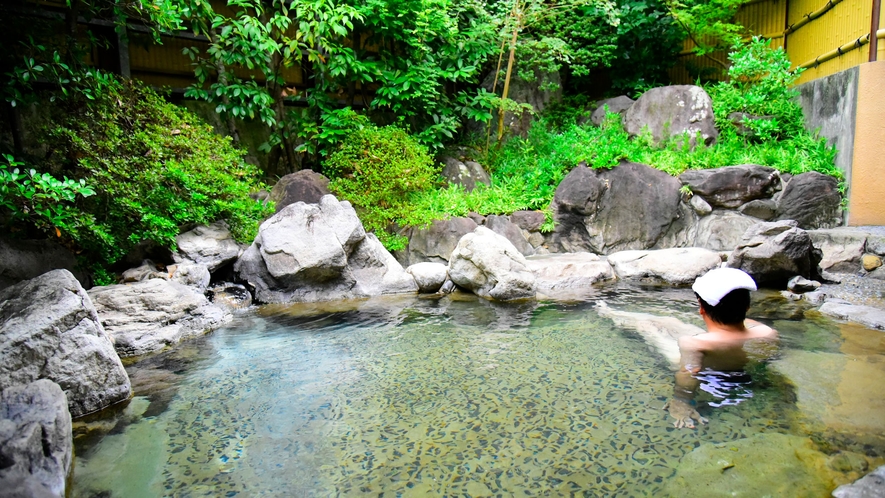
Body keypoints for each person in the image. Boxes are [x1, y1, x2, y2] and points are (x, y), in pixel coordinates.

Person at [663, 267, 778, 429]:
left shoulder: (694, 343)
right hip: (743, 377)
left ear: (701, 309)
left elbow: (688, 373)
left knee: (659, 328)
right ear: (747, 308)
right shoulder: (768, 333)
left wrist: (681, 402)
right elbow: (748, 324)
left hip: (712, 377)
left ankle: (623, 317)